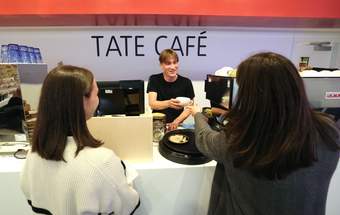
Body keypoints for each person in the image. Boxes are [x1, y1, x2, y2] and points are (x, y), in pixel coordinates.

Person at [187, 52, 340, 215]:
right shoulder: (329, 132)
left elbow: (205, 139)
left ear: (252, 95)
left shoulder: (242, 141)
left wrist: (198, 114)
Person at [20, 65, 139, 215]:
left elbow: (29, 195)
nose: (98, 99)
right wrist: (127, 175)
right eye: (97, 93)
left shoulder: (33, 154)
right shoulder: (103, 161)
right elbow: (127, 204)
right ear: (83, 101)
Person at [147, 49, 195, 131]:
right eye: (168, 63)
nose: (173, 67)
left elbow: (190, 106)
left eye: (175, 62)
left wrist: (176, 122)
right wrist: (169, 103)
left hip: (177, 125)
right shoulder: (154, 79)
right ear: (161, 65)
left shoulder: (186, 82)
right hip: (157, 125)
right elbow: (152, 104)